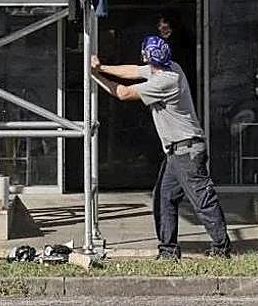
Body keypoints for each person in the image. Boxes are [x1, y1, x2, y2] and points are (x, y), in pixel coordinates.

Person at [91, 33, 231, 260]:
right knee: (164, 199)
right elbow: (133, 71)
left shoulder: (166, 81)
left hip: (186, 151)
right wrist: (102, 67)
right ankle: (168, 251)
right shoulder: (170, 67)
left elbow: (124, 93)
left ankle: (221, 248)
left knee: (202, 199)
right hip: (177, 152)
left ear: (148, 56)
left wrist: (93, 76)